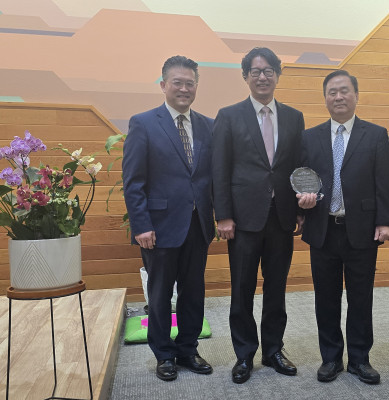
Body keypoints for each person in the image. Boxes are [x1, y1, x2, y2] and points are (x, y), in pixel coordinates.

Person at [212, 47, 305, 384]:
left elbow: (298, 167)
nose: (262, 77)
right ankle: (244, 354)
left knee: (276, 288)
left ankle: (274, 350)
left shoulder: (294, 117)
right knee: (242, 289)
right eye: (255, 71)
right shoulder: (229, 116)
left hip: (282, 217)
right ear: (245, 76)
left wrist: (299, 211)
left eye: (268, 71)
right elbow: (220, 168)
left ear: (277, 75)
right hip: (242, 220)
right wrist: (223, 215)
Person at [297, 70, 389, 384]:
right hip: (322, 229)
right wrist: (301, 203)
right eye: (332, 92)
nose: (338, 97)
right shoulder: (310, 137)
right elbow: (301, 180)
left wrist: (385, 221)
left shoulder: (376, 135)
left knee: (360, 298)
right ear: (325, 98)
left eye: (344, 91)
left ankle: (360, 359)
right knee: (325, 299)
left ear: (356, 95)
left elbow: (384, 182)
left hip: (362, 230)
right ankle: (331, 358)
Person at [122, 55, 215, 382]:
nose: (184, 88)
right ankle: (163, 354)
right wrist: (141, 225)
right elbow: (133, 181)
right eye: (178, 82)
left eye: (190, 83)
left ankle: (188, 349)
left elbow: (211, 177)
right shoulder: (144, 123)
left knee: (194, 292)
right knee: (160, 294)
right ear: (163, 85)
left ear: (196, 87)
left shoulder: (208, 125)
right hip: (158, 228)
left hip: (198, 225)